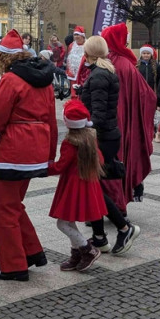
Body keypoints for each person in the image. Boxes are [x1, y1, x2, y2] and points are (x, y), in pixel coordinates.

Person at [0, 30, 57, 281]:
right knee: (13, 204)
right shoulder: (44, 80)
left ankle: (14, 265)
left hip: (16, 148)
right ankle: (32, 251)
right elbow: (51, 120)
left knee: (3, 207)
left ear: (3, 57)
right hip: (37, 146)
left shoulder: (11, 80)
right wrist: (50, 154)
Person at [78, 35, 137, 255]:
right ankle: (100, 236)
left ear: (89, 53)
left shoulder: (100, 75)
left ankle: (123, 228)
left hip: (100, 137)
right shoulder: (103, 72)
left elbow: (99, 115)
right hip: (105, 136)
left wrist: (80, 122)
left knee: (91, 187)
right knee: (93, 186)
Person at [100, 22, 156, 217]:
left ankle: (103, 208)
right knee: (117, 161)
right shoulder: (125, 65)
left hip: (104, 123)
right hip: (120, 125)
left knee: (102, 164)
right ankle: (117, 204)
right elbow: (146, 95)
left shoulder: (104, 62)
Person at [49, 100, 107, 272]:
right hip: (87, 184)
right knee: (69, 221)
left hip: (72, 187)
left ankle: (87, 250)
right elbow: (101, 160)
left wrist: (43, 168)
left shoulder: (70, 142)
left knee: (63, 224)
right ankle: (76, 254)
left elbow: (60, 166)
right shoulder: (90, 138)